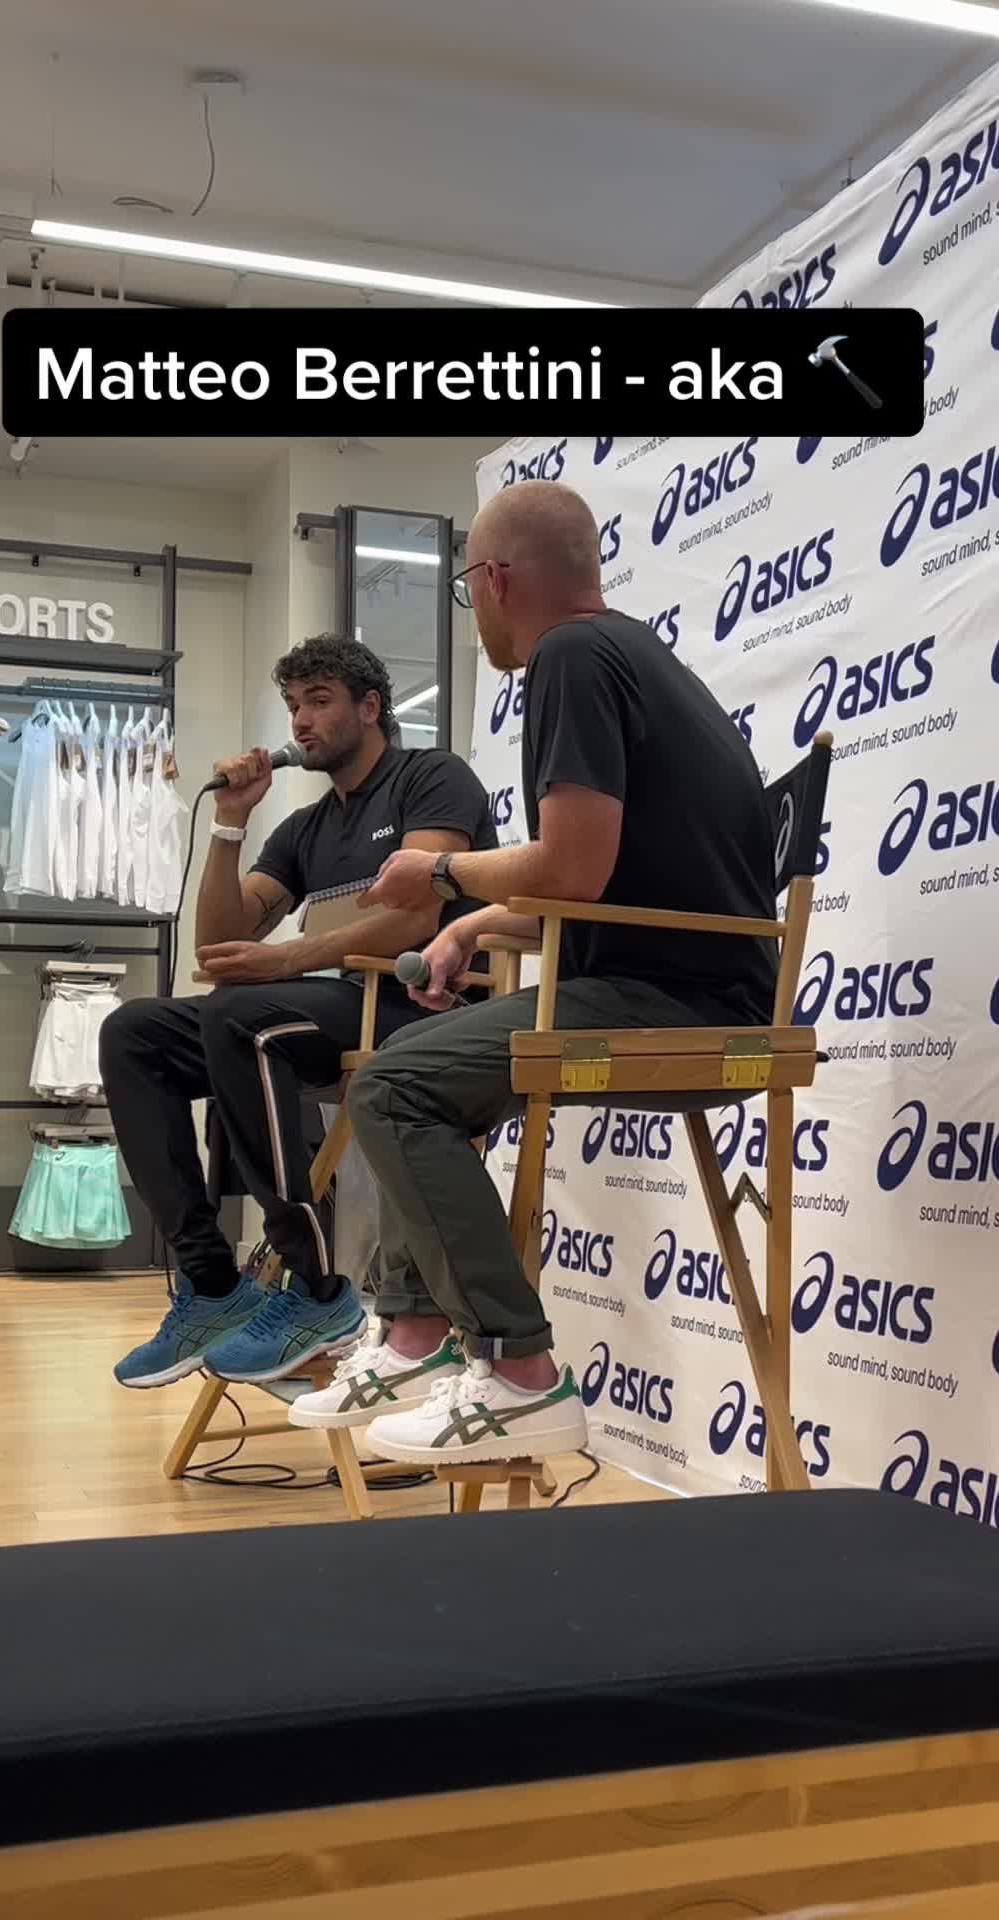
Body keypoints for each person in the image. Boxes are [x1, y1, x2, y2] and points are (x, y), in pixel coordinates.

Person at [289, 482, 778, 1464]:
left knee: (392, 1087)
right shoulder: (632, 654)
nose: (474, 609)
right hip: (686, 983)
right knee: (415, 1066)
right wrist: (477, 926)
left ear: (495, 580)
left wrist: (443, 875)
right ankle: (415, 1334)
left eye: (467, 588)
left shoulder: (570, 656)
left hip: (680, 1005)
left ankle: (519, 1373)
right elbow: (616, 877)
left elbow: (572, 869)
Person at [101, 633, 497, 1391]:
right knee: (134, 1033)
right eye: (293, 705)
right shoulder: (306, 828)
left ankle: (315, 1290)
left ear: (370, 708)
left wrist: (288, 959)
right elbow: (220, 943)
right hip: (332, 1007)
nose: (300, 722)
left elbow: (418, 914)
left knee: (240, 1016)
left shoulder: (430, 777)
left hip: (426, 1007)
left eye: (318, 701)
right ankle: (212, 1284)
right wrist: (229, 823)